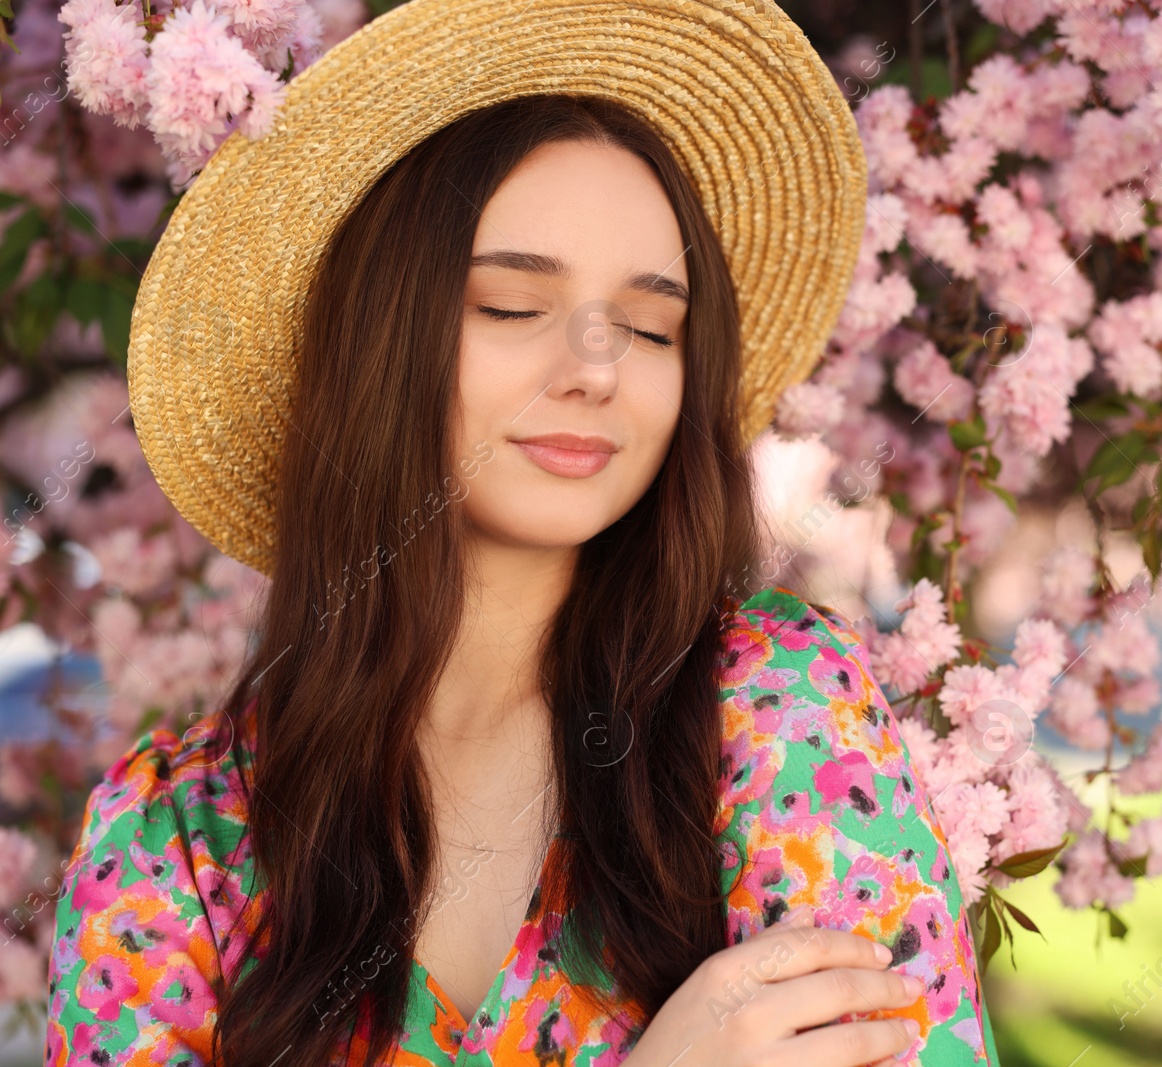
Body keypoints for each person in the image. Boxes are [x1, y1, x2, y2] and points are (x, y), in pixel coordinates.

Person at [45, 2, 999, 1065]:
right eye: (509, 304)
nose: (596, 365)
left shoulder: (777, 712)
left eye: (650, 326)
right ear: (376, 342)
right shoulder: (174, 837)